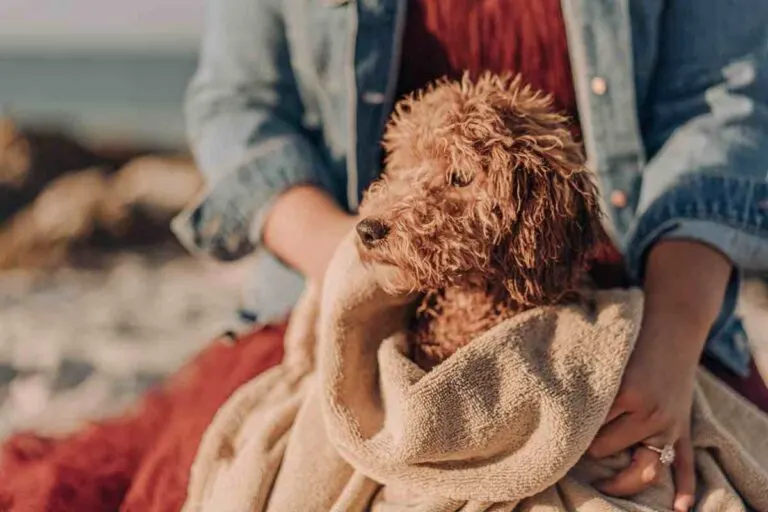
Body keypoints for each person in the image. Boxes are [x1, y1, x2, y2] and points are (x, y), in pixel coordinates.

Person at [172, 1, 768, 510]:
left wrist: (670, 340)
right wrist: (355, 266)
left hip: (649, 289)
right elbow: (238, 105)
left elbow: (721, 108)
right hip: (326, 267)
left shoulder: (655, 316)